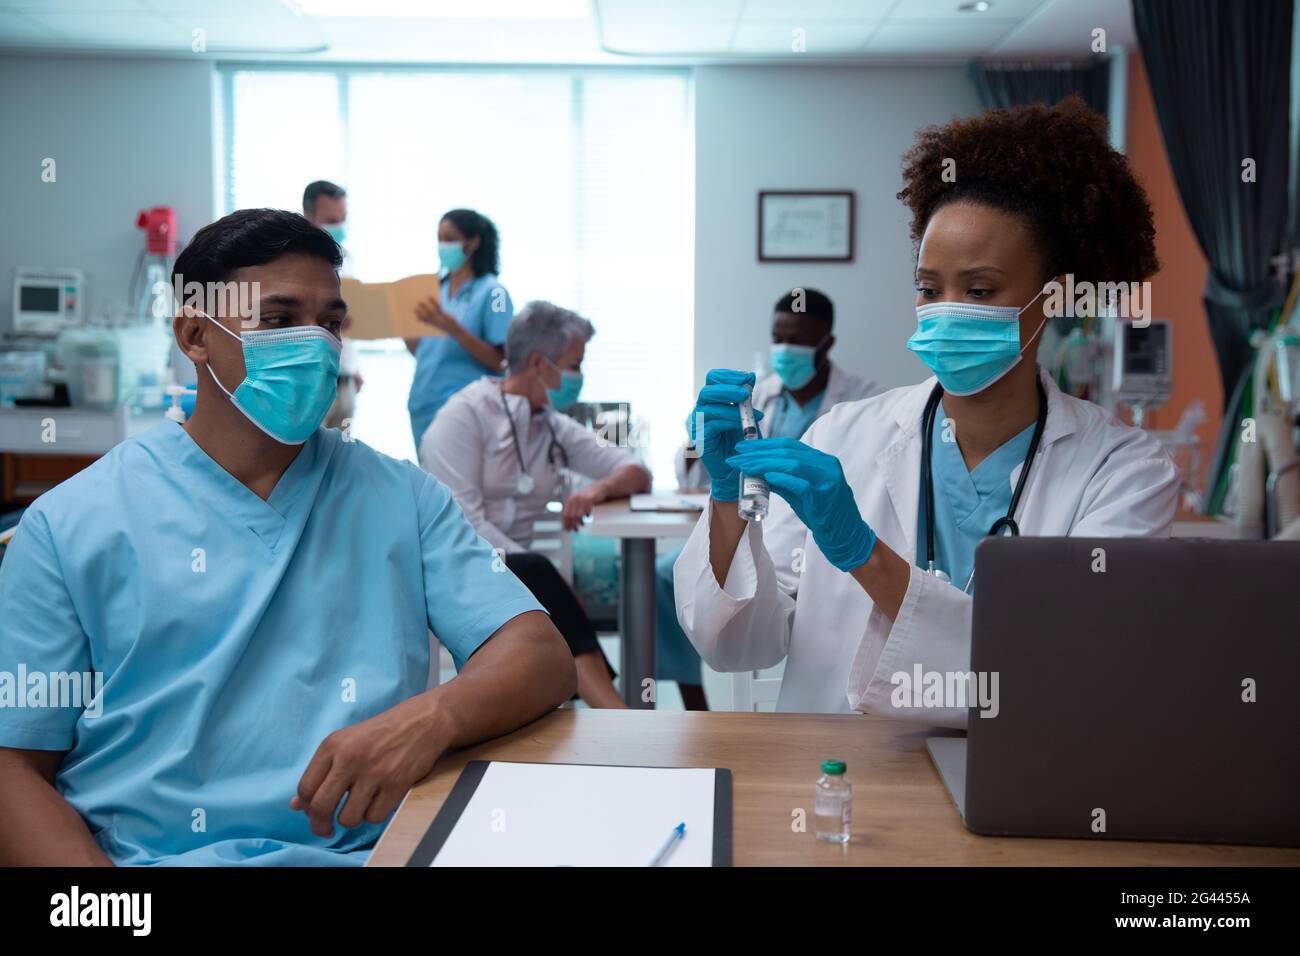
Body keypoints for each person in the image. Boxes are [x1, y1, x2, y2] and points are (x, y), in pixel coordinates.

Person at [0, 209, 575, 866]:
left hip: (375, 853)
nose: (315, 344)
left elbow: (539, 655)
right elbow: (14, 768)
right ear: (194, 335)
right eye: (277, 320)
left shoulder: (400, 498)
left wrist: (433, 717)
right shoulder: (70, 525)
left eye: (329, 323)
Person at [674, 97, 1180, 727]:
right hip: (836, 784)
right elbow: (737, 644)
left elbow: (1062, 671)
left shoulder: (1123, 470)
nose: (945, 311)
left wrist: (862, 552)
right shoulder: (842, 435)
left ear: (1053, 298)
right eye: (927, 288)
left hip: (1016, 783)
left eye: (979, 290)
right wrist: (727, 503)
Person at [422, 301, 652, 709]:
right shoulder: (462, 417)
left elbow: (635, 469)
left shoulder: (550, 424)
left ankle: (609, 712)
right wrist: (528, 576)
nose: (578, 378)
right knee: (539, 574)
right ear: (536, 363)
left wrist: (596, 491)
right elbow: (465, 526)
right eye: (573, 365)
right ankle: (615, 712)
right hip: (459, 572)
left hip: (521, 581)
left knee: (538, 579)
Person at [663, 288, 877, 709]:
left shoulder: (861, 401)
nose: (784, 350)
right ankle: (694, 701)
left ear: (826, 342)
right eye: (778, 337)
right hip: (748, 519)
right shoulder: (756, 396)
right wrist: (698, 438)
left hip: (815, 533)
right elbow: (688, 470)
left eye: (797, 339)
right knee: (663, 576)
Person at [405, 208, 513, 450]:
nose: (442, 245)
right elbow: (428, 354)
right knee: (428, 485)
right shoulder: (435, 291)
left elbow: (502, 362)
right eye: (439, 238)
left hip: (465, 410)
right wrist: (404, 330)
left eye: (449, 238)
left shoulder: (494, 293)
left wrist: (454, 329)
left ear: (473, 243)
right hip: (423, 404)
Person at [302, 180, 362, 429]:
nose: (339, 227)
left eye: (342, 218)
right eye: (331, 220)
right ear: (309, 217)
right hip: (310, 379)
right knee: (307, 459)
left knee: (342, 457)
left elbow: (354, 315)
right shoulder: (294, 262)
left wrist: (353, 368)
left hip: (345, 378)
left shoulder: (348, 258)